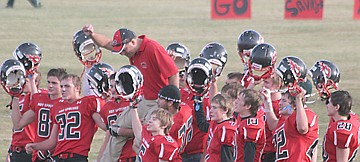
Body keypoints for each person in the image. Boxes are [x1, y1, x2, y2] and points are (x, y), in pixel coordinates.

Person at [82, 25, 179, 122]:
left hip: (158, 101)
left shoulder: (153, 48)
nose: (122, 53)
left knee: (147, 129)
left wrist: (172, 102)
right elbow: (107, 43)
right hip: (145, 100)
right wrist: (92, 35)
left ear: (132, 42)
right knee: (117, 125)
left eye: (123, 50)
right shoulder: (133, 50)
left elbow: (173, 73)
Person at [25, 74, 104, 162]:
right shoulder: (58, 107)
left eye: (67, 86)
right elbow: (52, 141)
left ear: (77, 88)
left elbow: (103, 125)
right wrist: (35, 146)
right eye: (61, 86)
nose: (63, 89)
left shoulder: (88, 103)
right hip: (58, 157)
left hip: (76, 157)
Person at [11, 68, 67, 162]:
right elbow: (18, 124)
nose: (50, 86)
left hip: (57, 154)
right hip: (38, 154)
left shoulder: (66, 104)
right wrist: (15, 97)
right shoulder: (40, 100)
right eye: (49, 82)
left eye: (54, 83)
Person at [97, 73, 136, 162]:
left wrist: (120, 131)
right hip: (115, 155)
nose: (113, 90)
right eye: (111, 86)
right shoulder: (108, 106)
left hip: (132, 154)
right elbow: (108, 134)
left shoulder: (131, 103)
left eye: (116, 86)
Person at [322, 91, 360, 161]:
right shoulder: (351, 117)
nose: (326, 105)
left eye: (329, 103)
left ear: (337, 107)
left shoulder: (342, 132)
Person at [157, 85, 193, 154]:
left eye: (161, 99)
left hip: (172, 154)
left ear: (170, 103)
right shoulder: (185, 108)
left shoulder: (171, 124)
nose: (157, 101)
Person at [234, 89, 265, 162]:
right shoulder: (241, 117)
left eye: (238, 100)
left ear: (247, 106)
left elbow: (249, 155)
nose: (235, 102)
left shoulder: (250, 126)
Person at [203, 94, 237, 162]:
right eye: (211, 107)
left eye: (215, 108)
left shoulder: (226, 129)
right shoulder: (218, 124)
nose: (210, 111)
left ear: (225, 110)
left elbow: (227, 158)